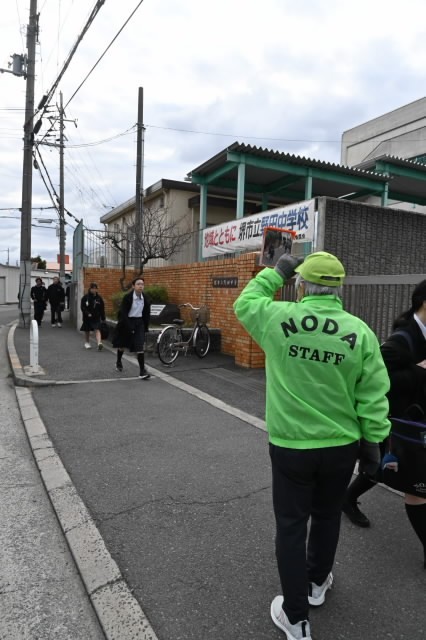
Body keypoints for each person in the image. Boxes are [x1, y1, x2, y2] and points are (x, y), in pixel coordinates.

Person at [233, 251, 391, 640]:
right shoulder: (360, 332)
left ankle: (296, 616)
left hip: (291, 444)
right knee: (327, 516)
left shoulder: (277, 318)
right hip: (342, 446)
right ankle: (317, 582)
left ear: (301, 285)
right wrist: (373, 442)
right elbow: (373, 394)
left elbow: (245, 303)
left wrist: (275, 273)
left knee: (291, 526)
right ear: (339, 289)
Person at [343, 280, 426, 568]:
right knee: (414, 486)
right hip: (398, 423)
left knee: (380, 469)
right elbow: (376, 378)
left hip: (416, 422)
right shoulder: (402, 340)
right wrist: (418, 371)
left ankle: (347, 498)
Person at [112, 277, 151, 380]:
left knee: (139, 346)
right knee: (122, 345)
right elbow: (123, 313)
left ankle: (142, 371)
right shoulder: (127, 297)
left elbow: (147, 314)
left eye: (142, 284)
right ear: (133, 286)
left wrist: (145, 327)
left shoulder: (145, 298)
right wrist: (130, 326)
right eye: (138, 284)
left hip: (139, 323)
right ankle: (118, 361)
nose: (140, 286)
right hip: (127, 322)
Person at [80, 282, 106, 351]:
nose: (94, 290)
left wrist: (103, 317)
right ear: (90, 289)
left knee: (97, 329)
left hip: (96, 316)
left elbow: (102, 308)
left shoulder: (99, 298)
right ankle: (87, 342)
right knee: (87, 330)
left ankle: (99, 343)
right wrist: (87, 313)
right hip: (87, 317)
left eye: (95, 288)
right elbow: (82, 307)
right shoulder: (85, 297)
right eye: (93, 288)